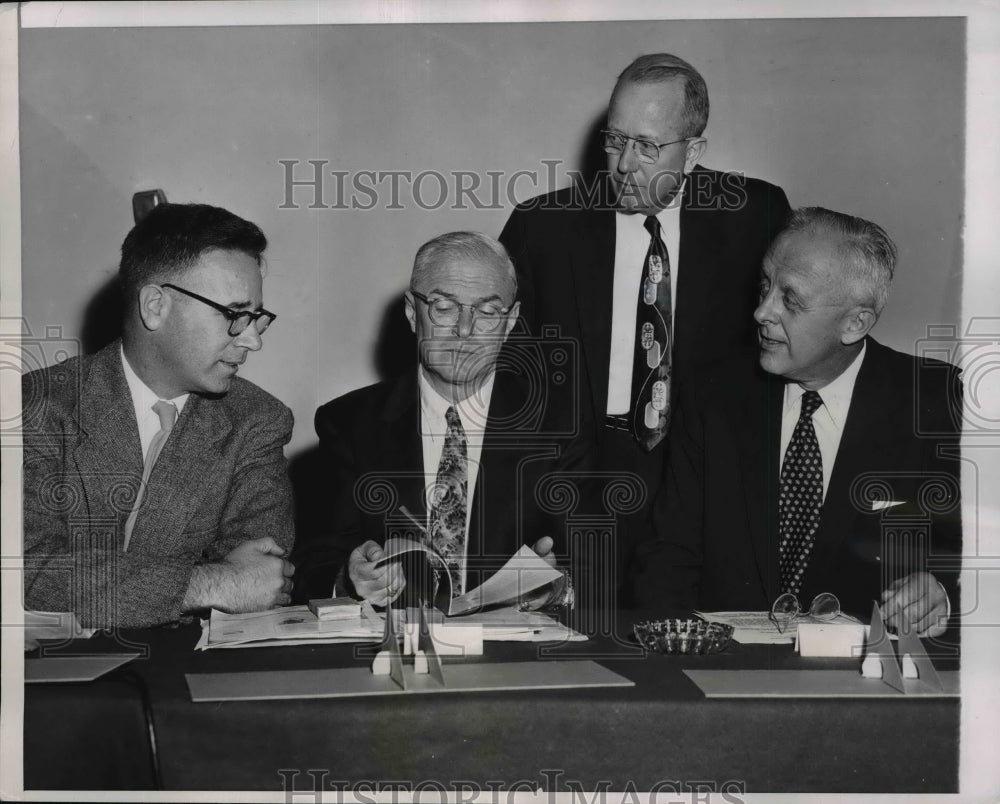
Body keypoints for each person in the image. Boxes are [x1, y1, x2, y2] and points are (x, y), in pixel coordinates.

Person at [499, 53, 791, 599]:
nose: (625, 164)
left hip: (701, 476)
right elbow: (513, 381)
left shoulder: (756, 215)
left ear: (695, 150)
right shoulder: (542, 228)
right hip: (579, 478)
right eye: (615, 140)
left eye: (649, 146)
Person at [632, 207, 962, 637]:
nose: (761, 312)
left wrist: (941, 595)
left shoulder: (937, 402)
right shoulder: (714, 396)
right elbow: (668, 558)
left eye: (790, 299)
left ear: (854, 323)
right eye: (765, 286)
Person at [22, 203, 296, 629]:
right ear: (154, 306)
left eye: (257, 318)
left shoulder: (257, 421)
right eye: (234, 315)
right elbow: (25, 573)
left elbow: (259, 578)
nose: (253, 341)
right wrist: (205, 584)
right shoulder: (36, 406)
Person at [299, 232, 580, 608]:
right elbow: (312, 562)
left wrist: (558, 589)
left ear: (510, 320)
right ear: (413, 313)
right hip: (393, 649)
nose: (464, 330)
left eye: (487, 311)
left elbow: (598, 562)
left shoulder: (562, 423)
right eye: (444, 307)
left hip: (517, 655)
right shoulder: (348, 424)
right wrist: (350, 579)